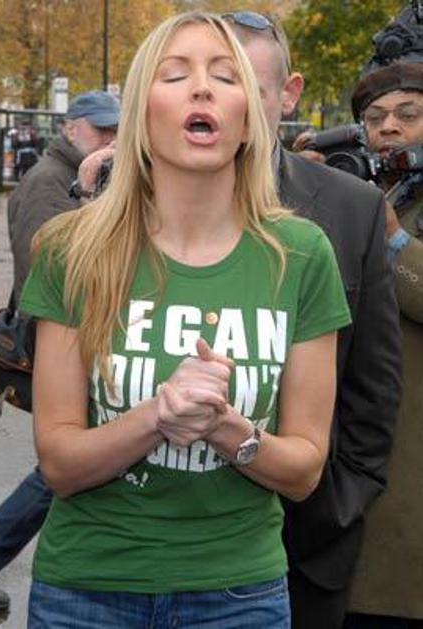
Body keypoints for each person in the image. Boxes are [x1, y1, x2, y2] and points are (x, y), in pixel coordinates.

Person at [22, 11, 351, 628]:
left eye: (225, 77)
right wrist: (158, 415)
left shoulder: (303, 255)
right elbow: (59, 464)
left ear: (248, 120)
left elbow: (305, 470)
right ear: (140, 116)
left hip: (240, 598)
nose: (202, 88)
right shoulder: (73, 249)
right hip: (86, 594)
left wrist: (226, 428)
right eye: (176, 75)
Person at [222, 10, 401, 629]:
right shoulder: (132, 203)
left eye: (246, 86)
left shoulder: (354, 210)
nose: (227, 104)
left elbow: (374, 391)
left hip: (305, 554)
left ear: (289, 92)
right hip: (156, 553)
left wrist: (332, 509)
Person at [0, 90, 120, 612]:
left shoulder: (83, 177)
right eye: (101, 129)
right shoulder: (48, 182)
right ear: (71, 128)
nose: (111, 138)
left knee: (80, 462)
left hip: (83, 336)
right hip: (63, 340)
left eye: (116, 129)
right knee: (70, 465)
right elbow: (48, 275)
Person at [342, 60, 423, 629]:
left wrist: (392, 236)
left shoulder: (387, 209)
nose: (389, 127)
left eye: (407, 114)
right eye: (375, 118)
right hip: (354, 445)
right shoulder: (358, 191)